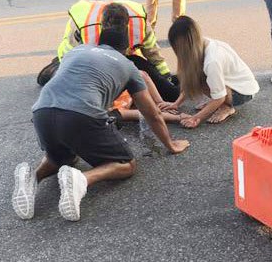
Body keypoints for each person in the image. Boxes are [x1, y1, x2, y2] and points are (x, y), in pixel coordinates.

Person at [12, 28, 190, 221]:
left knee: (62, 159)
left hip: (42, 112)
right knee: (126, 164)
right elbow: (152, 114)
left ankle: (32, 178)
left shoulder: (77, 51)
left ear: (99, 42)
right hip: (81, 114)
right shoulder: (128, 66)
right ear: (127, 49)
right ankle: (82, 180)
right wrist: (171, 145)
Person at [36, 0, 179, 103]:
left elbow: (152, 52)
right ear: (102, 24)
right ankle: (54, 67)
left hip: (125, 57)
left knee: (171, 94)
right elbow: (71, 61)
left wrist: (165, 76)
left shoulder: (139, 22)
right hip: (81, 60)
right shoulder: (85, 27)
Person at [160, 16, 259, 128]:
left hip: (243, 92)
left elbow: (219, 97)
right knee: (196, 75)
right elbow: (191, 78)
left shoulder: (212, 60)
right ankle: (217, 104)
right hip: (232, 86)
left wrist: (196, 118)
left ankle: (227, 107)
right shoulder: (202, 43)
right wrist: (175, 104)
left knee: (206, 83)